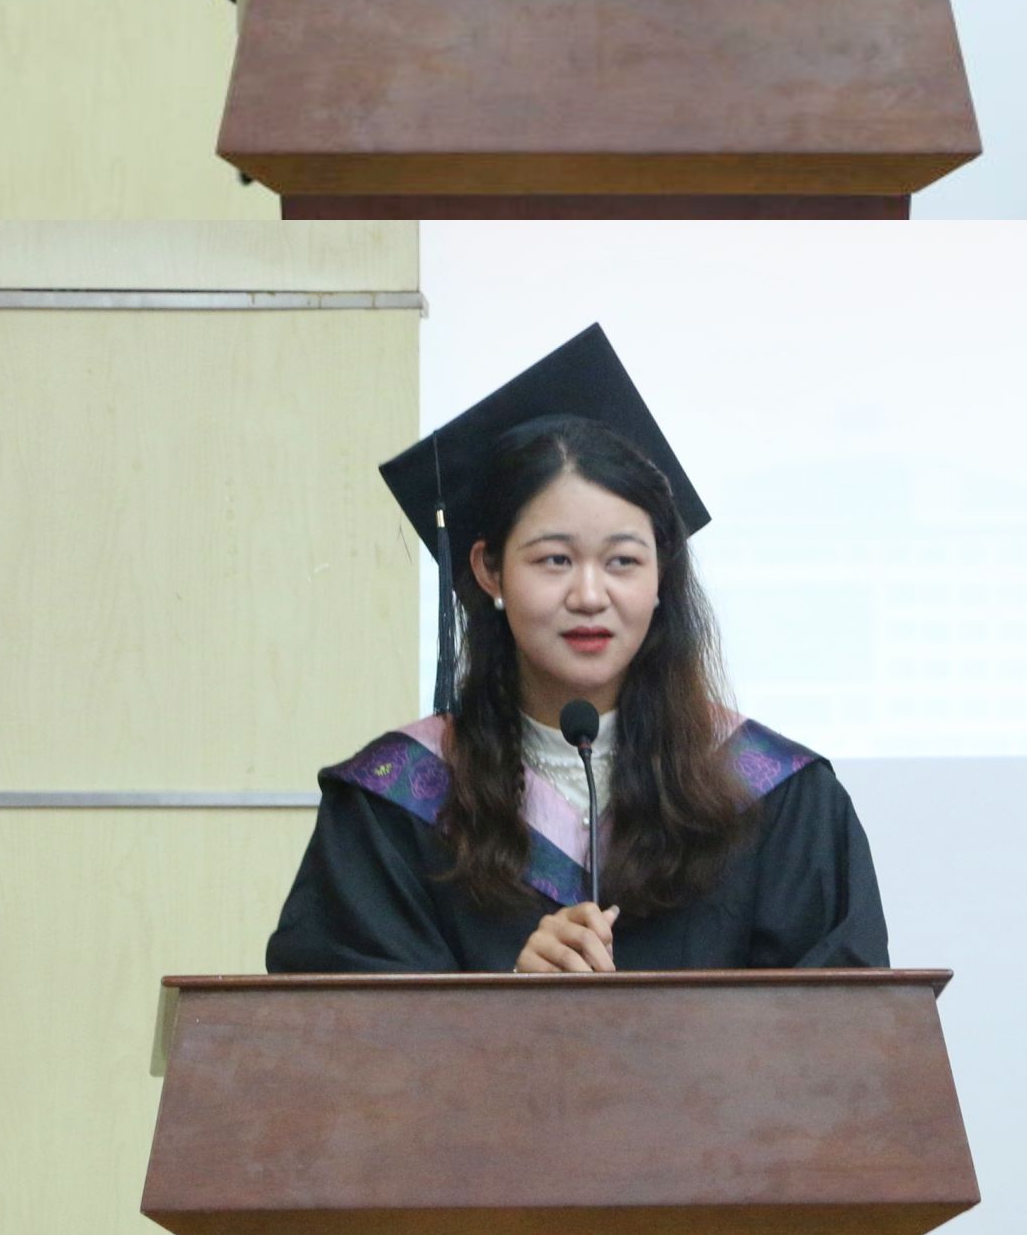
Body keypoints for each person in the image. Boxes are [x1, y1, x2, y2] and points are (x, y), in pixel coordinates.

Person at [267, 324, 886, 972]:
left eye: (622, 561)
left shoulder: (778, 800)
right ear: (489, 571)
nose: (590, 595)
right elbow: (340, 1018)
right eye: (554, 559)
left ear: (661, 574)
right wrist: (504, 1006)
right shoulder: (394, 806)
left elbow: (839, 1018)